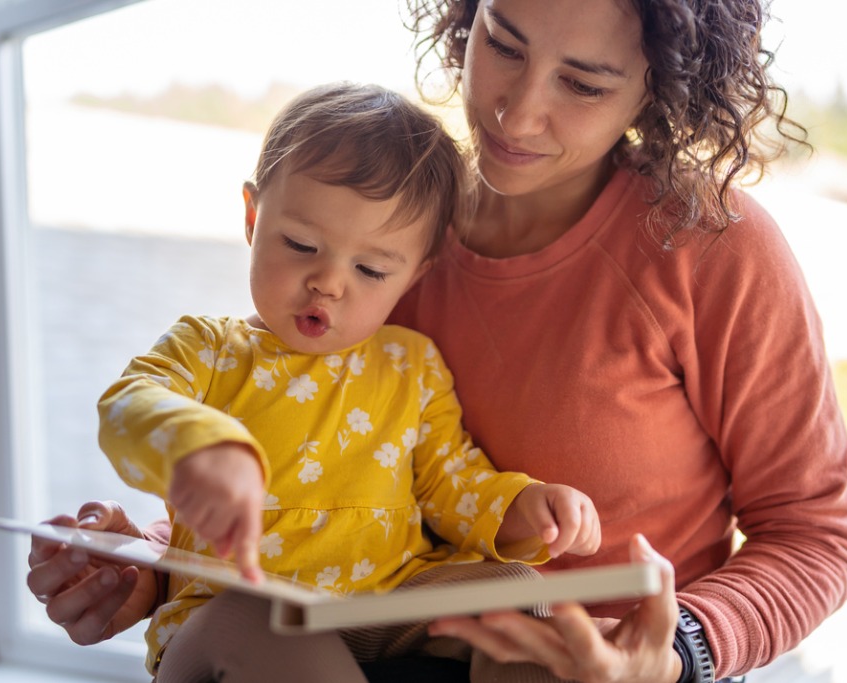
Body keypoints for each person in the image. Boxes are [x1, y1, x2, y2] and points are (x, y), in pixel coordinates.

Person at [27, 1, 847, 682]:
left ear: (657, 90)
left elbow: (815, 536)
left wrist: (679, 647)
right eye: (502, 42)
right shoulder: (384, 231)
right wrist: (145, 570)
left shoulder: (713, 248)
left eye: (583, 82)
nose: (517, 108)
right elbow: (311, 475)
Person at [79, 80, 602, 680]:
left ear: (413, 275)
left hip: (388, 601)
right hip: (238, 614)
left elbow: (450, 483)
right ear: (253, 217)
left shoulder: (413, 364)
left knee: (518, 588)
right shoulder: (211, 348)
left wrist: (522, 508)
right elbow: (127, 403)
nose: (328, 282)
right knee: (256, 617)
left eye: (370, 269)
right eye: (301, 244)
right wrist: (196, 445)